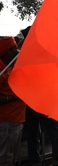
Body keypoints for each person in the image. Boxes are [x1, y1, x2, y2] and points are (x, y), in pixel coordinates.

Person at [0, 37, 26, 166]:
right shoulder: (1, 71)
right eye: (15, 49)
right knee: (6, 158)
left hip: (16, 121)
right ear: (8, 52)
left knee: (14, 158)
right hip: (6, 122)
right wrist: (15, 97)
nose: (18, 51)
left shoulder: (10, 68)